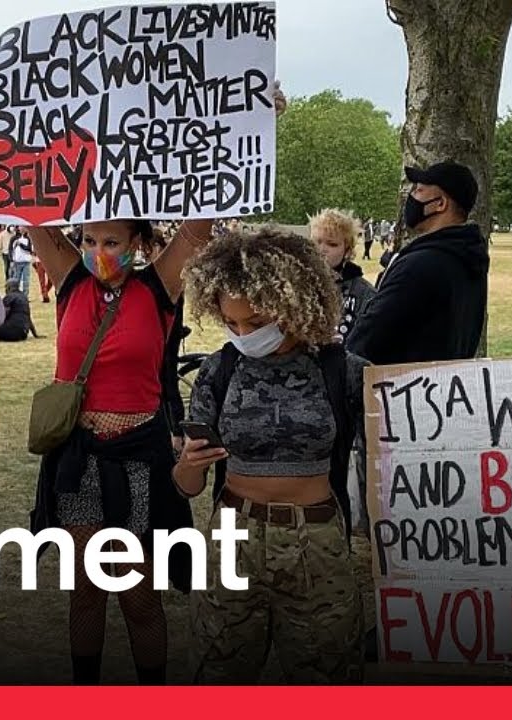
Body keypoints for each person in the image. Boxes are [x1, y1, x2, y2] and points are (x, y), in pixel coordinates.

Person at [174, 228, 364, 684]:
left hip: (316, 542)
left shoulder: (341, 370)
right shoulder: (219, 369)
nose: (244, 335)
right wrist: (187, 465)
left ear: (294, 305)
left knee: (327, 674)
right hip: (232, 538)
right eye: (231, 323)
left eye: (256, 322)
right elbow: (188, 486)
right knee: (217, 672)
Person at [26, 216, 209, 685]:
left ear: (138, 242)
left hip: (139, 462)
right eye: (89, 240)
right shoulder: (71, 281)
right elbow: (30, 214)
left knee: (139, 596)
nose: (98, 252)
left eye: (111, 242)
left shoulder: (157, 287)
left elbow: (197, 229)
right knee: (86, 591)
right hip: (79, 461)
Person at [345, 161, 489, 365]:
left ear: (440, 204)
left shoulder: (420, 265)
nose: (411, 197)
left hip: (401, 380)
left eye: (419, 190)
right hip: (444, 378)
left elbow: (369, 338)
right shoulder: (468, 257)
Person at [309, 208, 376, 341]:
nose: (322, 249)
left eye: (332, 244)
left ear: (347, 250)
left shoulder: (364, 293)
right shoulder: (294, 284)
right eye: (317, 242)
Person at [9, 228, 34, 294]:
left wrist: (20, 244)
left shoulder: (28, 238)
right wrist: (11, 260)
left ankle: (25, 294)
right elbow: (10, 249)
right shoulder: (14, 238)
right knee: (17, 279)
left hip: (26, 261)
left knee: (26, 280)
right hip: (17, 262)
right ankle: (15, 293)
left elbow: (29, 249)